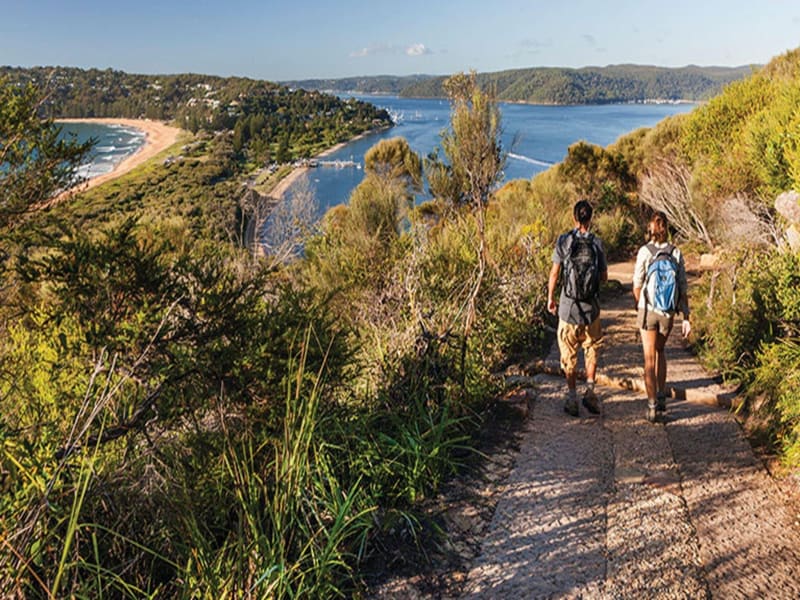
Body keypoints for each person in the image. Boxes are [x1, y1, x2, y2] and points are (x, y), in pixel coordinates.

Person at [548, 200, 608, 417]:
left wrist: (550, 298)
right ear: (590, 219)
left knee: (568, 354)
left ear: (574, 218)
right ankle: (590, 392)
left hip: (568, 308)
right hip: (591, 309)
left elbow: (555, 273)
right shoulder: (597, 243)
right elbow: (604, 276)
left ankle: (572, 398)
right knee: (592, 349)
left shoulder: (564, 241)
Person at [632, 211, 691, 423]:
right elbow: (683, 287)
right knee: (660, 351)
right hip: (668, 313)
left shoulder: (644, 252)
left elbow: (637, 285)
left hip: (648, 311)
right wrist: (686, 316)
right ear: (666, 228)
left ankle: (651, 406)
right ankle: (661, 394)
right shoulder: (676, 253)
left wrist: (642, 304)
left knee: (648, 357)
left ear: (650, 229)